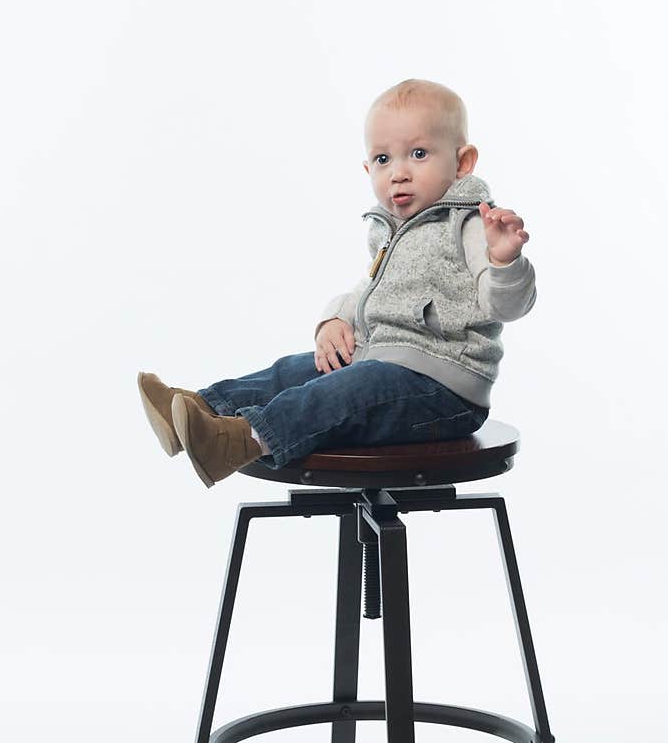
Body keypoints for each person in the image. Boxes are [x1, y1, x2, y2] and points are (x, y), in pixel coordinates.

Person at [138, 78, 535, 488]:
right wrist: (335, 320)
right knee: (293, 371)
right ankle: (198, 408)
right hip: (382, 361)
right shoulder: (393, 228)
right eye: (383, 159)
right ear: (368, 168)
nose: (398, 173)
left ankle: (241, 440)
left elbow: (505, 305)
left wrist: (505, 260)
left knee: (341, 392)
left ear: (462, 162)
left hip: (442, 391)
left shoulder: (468, 224)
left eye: (418, 154)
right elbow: (370, 290)